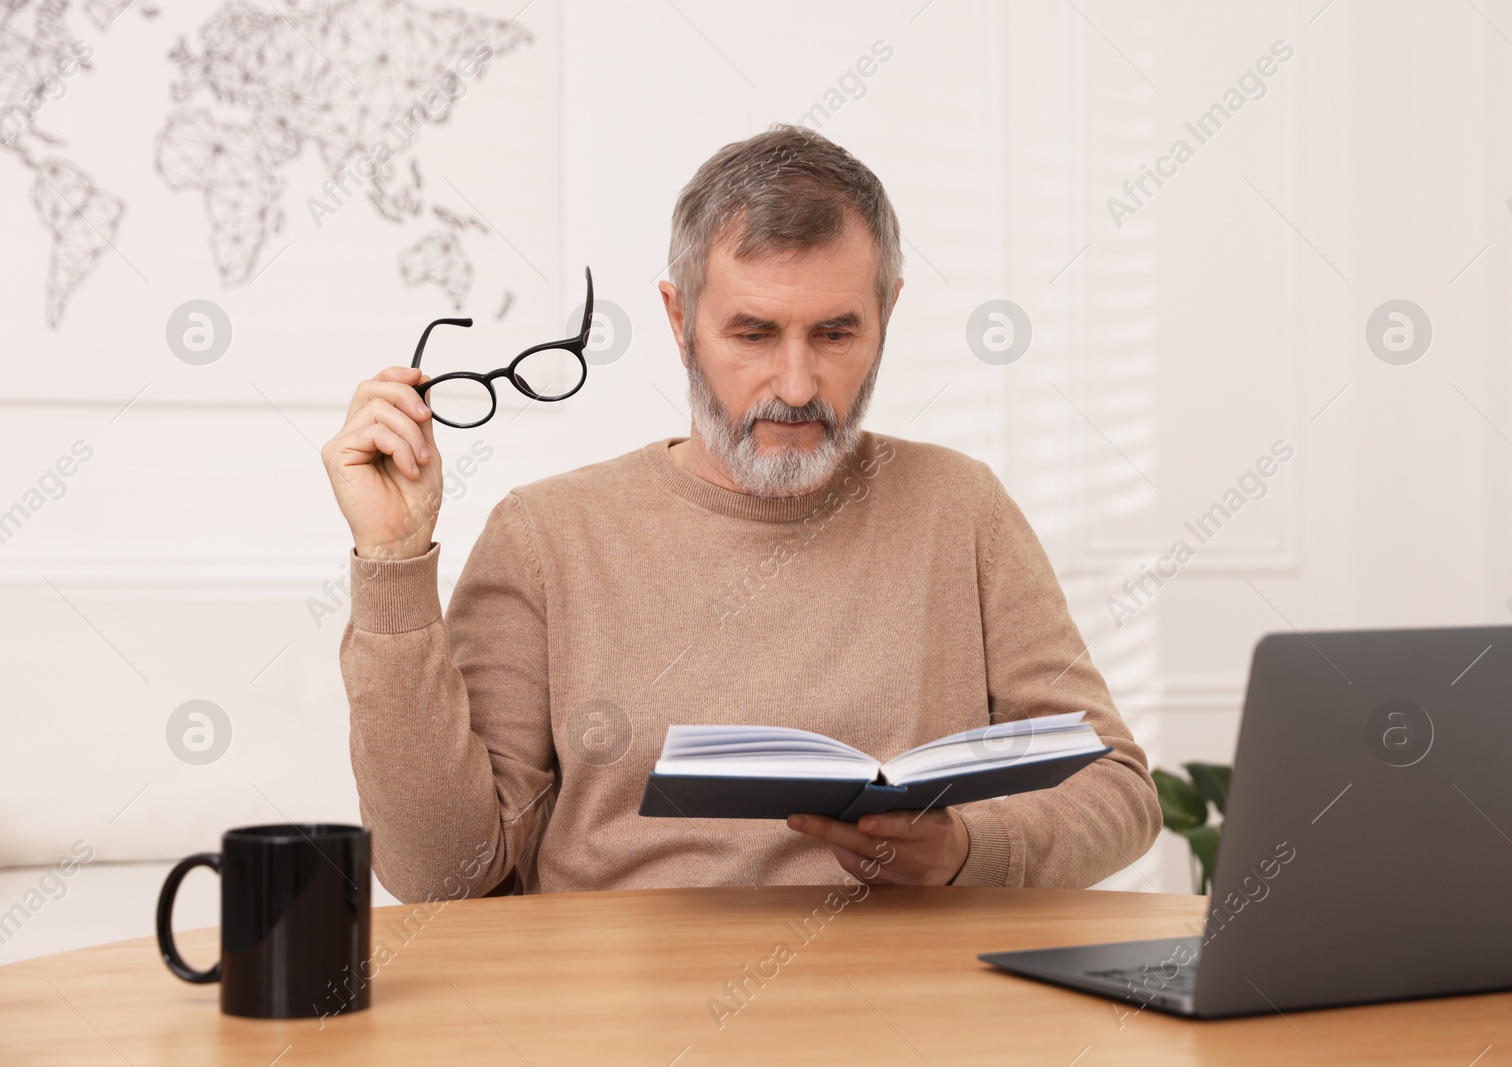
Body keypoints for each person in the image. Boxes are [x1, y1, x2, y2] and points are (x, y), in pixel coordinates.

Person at [321, 124, 1161, 902]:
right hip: (623, 1012)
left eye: (835, 334)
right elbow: (438, 875)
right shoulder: (547, 535)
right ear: (679, 319)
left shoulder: (960, 506)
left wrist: (971, 848)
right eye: (753, 334)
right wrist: (393, 560)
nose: (796, 387)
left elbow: (1118, 786)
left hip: (901, 1003)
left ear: (888, 315)